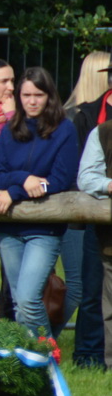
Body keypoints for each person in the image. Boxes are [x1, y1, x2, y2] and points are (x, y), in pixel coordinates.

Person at [0, 68, 77, 332]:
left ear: (49, 96)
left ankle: (48, 358)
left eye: (38, 95)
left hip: (45, 229)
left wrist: (16, 191)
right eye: (26, 95)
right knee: (18, 303)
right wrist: (26, 179)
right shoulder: (9, 129)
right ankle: (32, 366)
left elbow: (59, 180)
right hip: (9, 227)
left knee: (28, 300)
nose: (32, 101)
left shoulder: (65, 130)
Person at [63, 51, 111, 366]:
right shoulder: (92, 119)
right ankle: (90, 356)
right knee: (93, 290)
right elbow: (84, 174)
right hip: (97, 220)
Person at [75, 97, 111, 367]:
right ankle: (104, 362)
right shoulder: (102, 132)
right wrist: (110, 185)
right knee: (101, 301)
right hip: (107, 236)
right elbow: (86, 177)